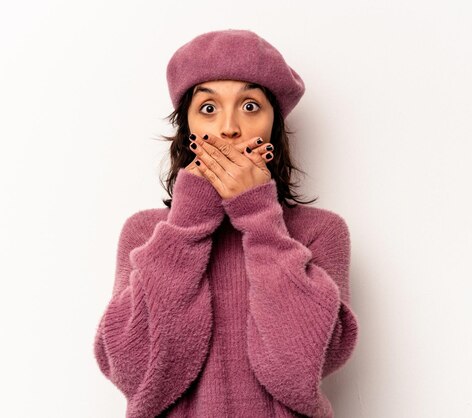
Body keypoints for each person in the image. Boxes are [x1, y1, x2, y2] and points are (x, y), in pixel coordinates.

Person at [93, 28, 359, 418]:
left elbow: (298, 373)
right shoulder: (145, 232)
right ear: (188, 129)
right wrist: (187, 221)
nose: (229, 128)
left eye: (250, 106)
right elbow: (137, 376)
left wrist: (259, 218)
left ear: (274, 127)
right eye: (208, 109)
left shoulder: (321, 231)